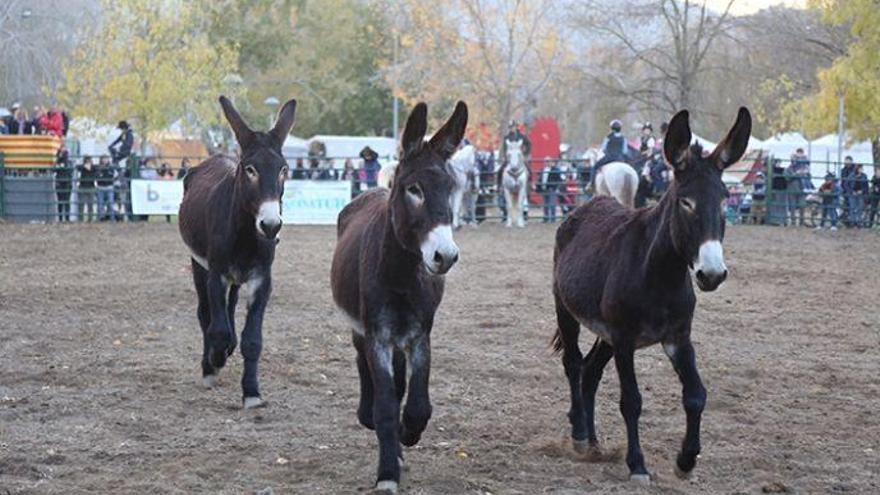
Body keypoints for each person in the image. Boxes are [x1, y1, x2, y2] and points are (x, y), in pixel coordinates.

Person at [785, 148, 812, 226]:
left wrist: (804, 174)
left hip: (802, 189)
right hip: (792, 189)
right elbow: (787, 177)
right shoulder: (789, 168)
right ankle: (793, 222)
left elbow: (809, 177)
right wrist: (796, 174)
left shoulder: (806, 168)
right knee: (792, 206)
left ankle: (801, 222)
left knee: (802, 205)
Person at [54, 143, 73, 222]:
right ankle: (60, 218)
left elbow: (69, 169)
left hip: (67, 181)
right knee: (60, 201)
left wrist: (62, 165)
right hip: (59, 182)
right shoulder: (57, 160)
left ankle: (67, 218)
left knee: (67, 201)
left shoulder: (68, 160)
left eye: (64, 148)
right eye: (61, 149)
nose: (63, 150)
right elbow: (54, 169)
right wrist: (59, 160)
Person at [539, 157, 561, 223]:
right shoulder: (542, 169)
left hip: (551, 188)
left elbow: (559, 179)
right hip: (544, 189)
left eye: (548, 161)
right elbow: (540, 179)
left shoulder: (555, 169)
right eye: (546, 161)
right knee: (545, 204)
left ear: (551, 162)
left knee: (552, 204)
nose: (547, 163)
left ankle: (552, 219)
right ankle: (546, 218)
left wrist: (556, 187)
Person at [96, 156, 117, 221]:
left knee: (111, 203)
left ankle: (112, 218)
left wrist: (112, 181)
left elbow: (115, 175)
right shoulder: (98, 168)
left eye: (106, 159)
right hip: (101, 187)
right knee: (100, 204)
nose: (105, 160)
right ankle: (100, 218)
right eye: (103, 159)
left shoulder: (111, 167)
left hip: (109, 187)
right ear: (101, 160)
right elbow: (96, 176)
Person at [77, 156, 97, 222]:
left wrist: (88, 166)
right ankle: (80, 219)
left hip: (91, 187)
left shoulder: (94, 167)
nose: (88, 161)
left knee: (90, 205)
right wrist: (84, 165)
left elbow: (93, 169)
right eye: (86, 160)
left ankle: (90, 219)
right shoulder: (82, 166)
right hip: (82, 186)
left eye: (89, 160)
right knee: (81, 204)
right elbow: (78, 167)